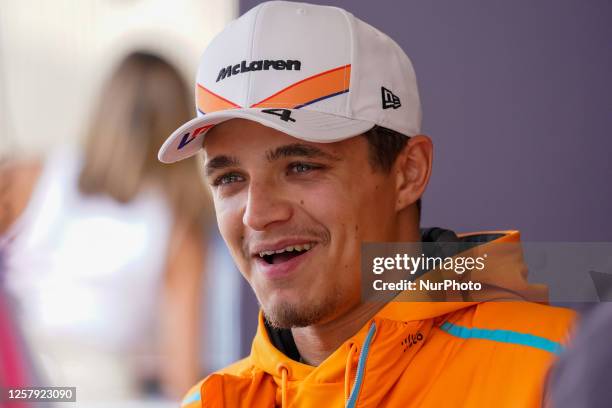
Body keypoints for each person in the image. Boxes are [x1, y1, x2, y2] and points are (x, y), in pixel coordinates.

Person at [157, 2, 575, 407]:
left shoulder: (558, 371)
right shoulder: (210, 401)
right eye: (230, 179)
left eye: (301, 166)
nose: (257, 214)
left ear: (408, 172)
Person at [0, 53, 212, 400]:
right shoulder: (179, 226)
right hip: (102, 394)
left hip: (18, 382)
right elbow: (182, 377)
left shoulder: (30, 178)